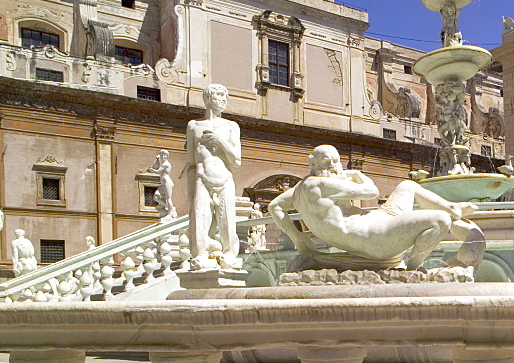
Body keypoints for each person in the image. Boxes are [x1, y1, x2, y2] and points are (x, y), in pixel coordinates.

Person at [269, 145, 483, 270]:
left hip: (376, 221)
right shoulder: (324, 184)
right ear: (315, 165)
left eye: (336, 161)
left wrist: (299, 239)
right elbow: (372, 191)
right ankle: (412, 268)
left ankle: (452, 206)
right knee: (440, 220)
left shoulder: (300, 188)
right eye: (330, 162)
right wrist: (358, 175)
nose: (335, 167)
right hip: (375, 238)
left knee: (408, 186)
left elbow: (274, 206)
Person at [186, 83, 241, 270]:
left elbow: (237, 161)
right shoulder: (194, 126)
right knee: (200, 219)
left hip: (225, 179)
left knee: (227, 221)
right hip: (202, 178)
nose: (224, 99)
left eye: (225, 96)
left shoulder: (231, 126)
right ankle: (201, 254)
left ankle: (229, 255)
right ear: (208, 98)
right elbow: (191, 162)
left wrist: (221, 142)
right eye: (219, 95)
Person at [148, 149, 177, 221]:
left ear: (167, 156)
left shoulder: (166, 164)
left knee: (168, 199)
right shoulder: (162, 163)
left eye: (164, 155)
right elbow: (155, 167)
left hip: (167, 182)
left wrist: (152, 170)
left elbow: (157, 171)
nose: (163, 156)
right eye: (162, 155)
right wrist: (157, 160)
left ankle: (170, 214)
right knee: (156, 197)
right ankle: (171, 208)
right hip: (163, 183)